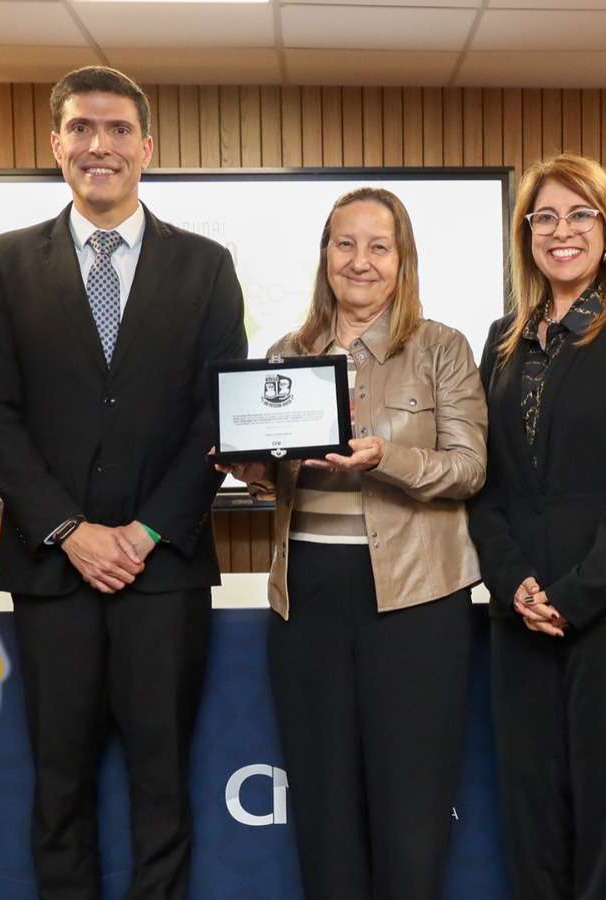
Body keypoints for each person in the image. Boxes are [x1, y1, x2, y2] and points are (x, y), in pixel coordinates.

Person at [0, 66, 246, 899]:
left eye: (119, 130)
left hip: (166, 571)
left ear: (146, 148)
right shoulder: (6, 262)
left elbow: (216, 414)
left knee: (163, 783)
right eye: (82, 128)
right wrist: (69, 530)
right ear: (56, 146)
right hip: (53, 572)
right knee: (59, 783)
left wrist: (148, 530)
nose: (101, 145)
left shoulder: (206, 266)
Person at [219, 186, 485, 900]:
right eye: (345, 244)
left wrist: (384, 458)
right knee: (323, 808)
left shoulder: (442, 349)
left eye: (378, 246)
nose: (360, 261)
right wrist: (252, 471)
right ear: (324, 256)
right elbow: (281, 482)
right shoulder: (285, 352)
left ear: (403, 261)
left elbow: (469, 469)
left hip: (417, 603)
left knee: (412, 813)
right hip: (306, 597)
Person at [466, 153, 606, 898]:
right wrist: (514, 586)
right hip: (521, 610)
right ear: (525, 232)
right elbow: (486, 482)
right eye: (545, 217)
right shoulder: (505, 337)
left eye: (579, 214)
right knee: (531, 815)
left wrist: (577, 593)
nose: (561, 231)